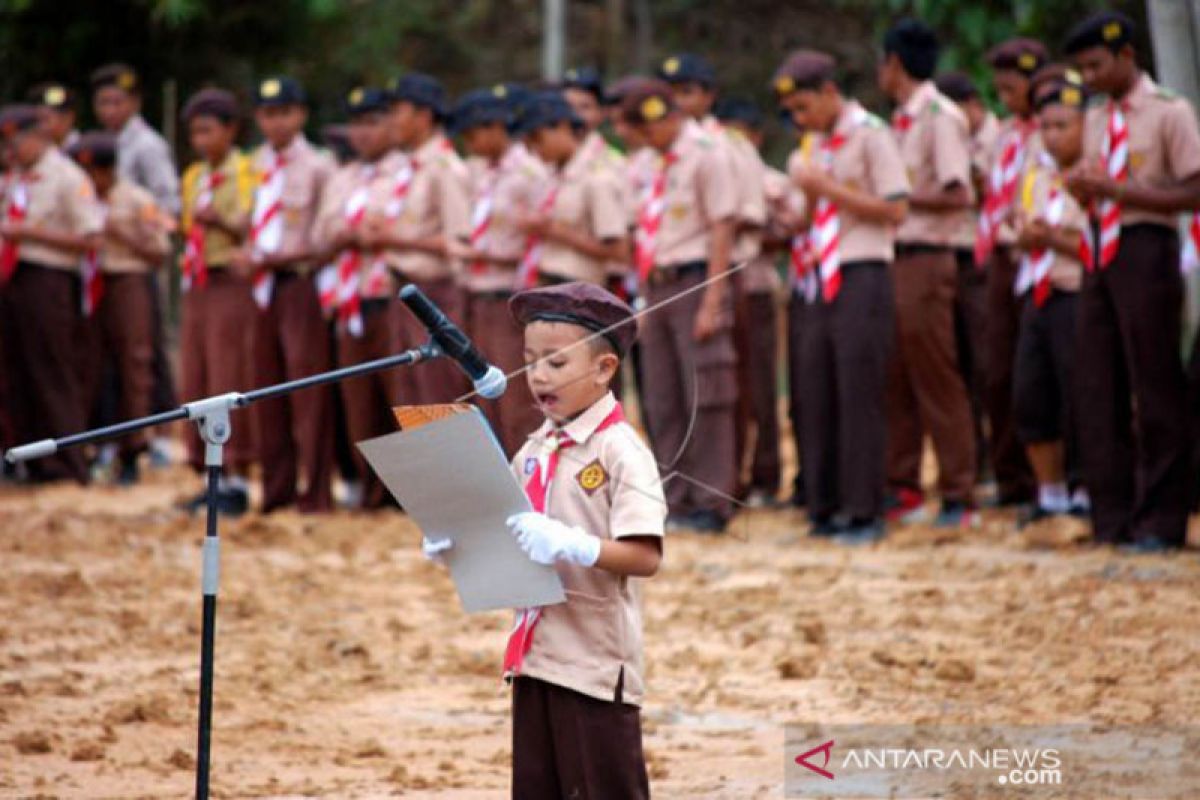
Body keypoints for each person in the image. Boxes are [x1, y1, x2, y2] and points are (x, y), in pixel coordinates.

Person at [423, 280, 664, 799]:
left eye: (556, 362)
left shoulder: (622, 450)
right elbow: (508, 536)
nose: (537, 375)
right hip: (534, 660)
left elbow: (645, 556)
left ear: (604, 369)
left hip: (595, 666)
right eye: (530, 360)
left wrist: (574, 544)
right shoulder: (535, 447)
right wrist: (456, 545)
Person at [1063, 11, 1200, 551]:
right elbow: (1099, 185)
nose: (1089, 78)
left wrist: (1121, 193)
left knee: (1155, 385)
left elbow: (1193, 190)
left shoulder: (1170, 112)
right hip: (1099, 250)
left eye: (1096, 65)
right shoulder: (1096, 119)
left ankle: (1161, 521)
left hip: (1147, 249)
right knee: (1099, 387)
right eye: (1081, 70)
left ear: (1126, 56)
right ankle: (1112, 517)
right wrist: (1085, 191)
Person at [776, 50, 910, 542]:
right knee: (813, 389)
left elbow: (895, 209)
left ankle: (864, 509)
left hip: (860, 270)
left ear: (831, 92)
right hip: (814, 276)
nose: (799, 119)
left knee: (858, 390)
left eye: (805, 107)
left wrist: (828, 188)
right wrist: (798, 209)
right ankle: (824, 504)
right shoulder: (808, 148)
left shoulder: (871, 134)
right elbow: (807, 217)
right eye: (792, 113)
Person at [620, 80, 739, 533]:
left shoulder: (708, 152)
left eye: (648, 131)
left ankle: (712, 499)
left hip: (694, 281)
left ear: (665, 117)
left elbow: (722, 226)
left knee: (704, 393)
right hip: (657, 284)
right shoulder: (651, 163)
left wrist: (713, 298)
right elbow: (644, 231)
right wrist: (643, 296)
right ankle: (676, 495)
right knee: (663, 397)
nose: (646, 142)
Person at [878, 18, 979, 528]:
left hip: (927, 255)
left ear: (893, 63)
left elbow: (959, 193)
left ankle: (960, 491)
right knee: (896, 374)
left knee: (936, 372)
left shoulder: (941, 116)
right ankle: (905, 486)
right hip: (895, 258)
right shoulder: (899, 120)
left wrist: (894, 198)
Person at [237, 76, 337, 513]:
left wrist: (273, 258)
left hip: (299, 283)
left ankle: (315, 491)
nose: (275, 122)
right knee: (264, 387)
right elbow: (247, 220)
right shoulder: (253, 163)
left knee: (307, 389)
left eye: (283, 112)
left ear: (300, 115)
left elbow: (322, 240)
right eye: (266, 113)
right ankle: (275, 490)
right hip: (261, 288)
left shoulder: (318, 166)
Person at [0, 105, 104, 484]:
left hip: (48, 279)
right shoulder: (15, 179)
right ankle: (30, 461)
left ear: (39, 136)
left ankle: (69, 463)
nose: (10, 150)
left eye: (16, 141)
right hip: (11, 281)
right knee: (16, 375)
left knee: (52, 373)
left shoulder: (66, 176)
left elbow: (91, 237)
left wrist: (29, 234)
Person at [312, 86, 400, 510]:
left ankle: (409, 495)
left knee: (401, 399)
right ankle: (370, 490)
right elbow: (320, 235)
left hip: (395, 300)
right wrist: (347, 235)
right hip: (351, 301)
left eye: (373, 122)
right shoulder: (342, 178)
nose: (363, 133)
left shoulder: (407, 171)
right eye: (357, 124)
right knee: (358, 402)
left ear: (392, 124)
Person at [1010, 68, 1090, 526]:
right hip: (1035, 290)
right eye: (1046, 126)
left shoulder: (1096, 170)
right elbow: (1019, 222)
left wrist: (1053, 238)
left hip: (1076, 289)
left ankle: (1086, 487)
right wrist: (1024, 234)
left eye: (1063, 125)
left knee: (1079, 393)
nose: (1053, 136)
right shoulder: (1036, 171)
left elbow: (1100, 245)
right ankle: (1052, 493)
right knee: (1031, 393)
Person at [69, 131, 171, 485]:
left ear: (107, 169)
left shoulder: (136, 199)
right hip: (92, 285)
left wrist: (116, 232)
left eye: (93, 172)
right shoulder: (80, 197)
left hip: (128, 282)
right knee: (92, 366)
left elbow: (159, 250)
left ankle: (134, 447)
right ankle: (97, 445)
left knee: (134, 365)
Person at [90, 63, 179, 465]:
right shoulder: (95, 143)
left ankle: (151, 437)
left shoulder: (147, 145)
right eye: (103, 101)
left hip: (137, 257)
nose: (110, 109)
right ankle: (110, 438)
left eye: (118, 101)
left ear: (134, 102)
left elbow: (169, 206)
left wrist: (134, 223)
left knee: (143, 354)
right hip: (99, 266)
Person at [975, 38, 1049, 508]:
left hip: (1039, 257)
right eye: (998, 90)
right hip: (1000, 259)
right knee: (997, 371)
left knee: (1038, 372)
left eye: (1012, 88)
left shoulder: (1054, 131)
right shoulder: (1004, 135)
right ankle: (1011, 480)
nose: (1005, 99)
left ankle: (1052, 483)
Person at [453, 86, 547, 456]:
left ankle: (528, 481)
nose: (469, 144)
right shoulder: (481, 172)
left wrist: (487, 253)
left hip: (511, 295)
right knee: (485, 396)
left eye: (473, 134)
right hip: (477, 294)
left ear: (494, 128)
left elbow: (537, 242)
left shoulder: (529, 172)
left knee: (515, 398)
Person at [369, 72, 471, 404]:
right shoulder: (407, 166)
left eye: (399, 110)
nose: (392, 120)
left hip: (434, 296)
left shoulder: (445, 167)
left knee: (437, 393)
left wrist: (396, 240)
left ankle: (447, 459)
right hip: (403, 291)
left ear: (424, 115)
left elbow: (460, 244)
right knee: (409, 395)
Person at [177, 88, 257, 515]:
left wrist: (221, 222)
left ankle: (238, 475)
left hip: (231, 281)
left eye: (209, 130)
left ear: (230, 129)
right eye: (194, 132)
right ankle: (209, 474)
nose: (201, 140)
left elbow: (253, 227)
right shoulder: (192, 176)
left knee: (229, 373)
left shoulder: (246, 171)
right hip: (198, 282)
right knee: (197, 376)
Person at [714, 96, 785, 506]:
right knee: (732, 389)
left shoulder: (770, 180)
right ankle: (734, 475)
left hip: (756, 285)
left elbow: (786, 230)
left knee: (761, 389)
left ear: (755, 137)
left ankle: (767, 474)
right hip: (729, 289)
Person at [935, 70, 997, 481]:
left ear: (973, 105)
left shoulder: (998, 140)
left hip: (989, 260)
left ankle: (1001, 462)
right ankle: (976, 459)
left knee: (989, 362)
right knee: (956, 363)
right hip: (950, 256)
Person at [519, 92, 629, 289]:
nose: (535, 150)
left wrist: (553, 231)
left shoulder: (597, 176)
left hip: (578, 290)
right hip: (545, 281)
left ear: (562, 127)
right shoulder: (552, 174)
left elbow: (619, 251)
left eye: (538, 139)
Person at [26, 82, 80, 150]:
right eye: (37, 121)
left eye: (45, 120)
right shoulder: (40, 152)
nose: (40, 127)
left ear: (68, 118)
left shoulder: (83, 150)